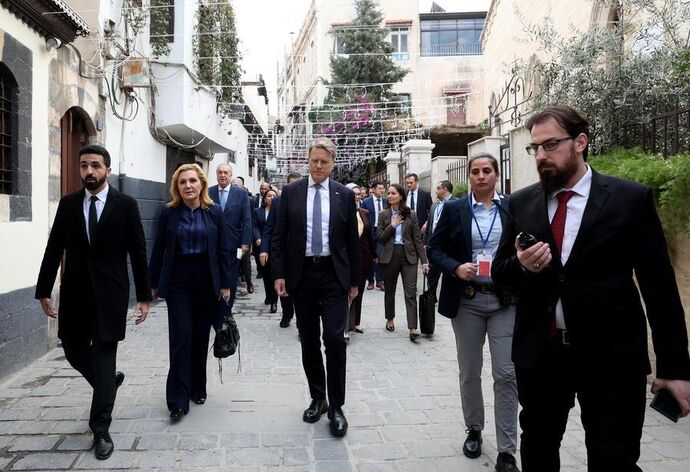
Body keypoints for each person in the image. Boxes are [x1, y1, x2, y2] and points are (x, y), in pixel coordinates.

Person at [492, 104, 690, 471]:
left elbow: (660, 288)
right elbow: (500, 274)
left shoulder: (630, 199)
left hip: (612, 359)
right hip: (543, 356)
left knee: (614, 459)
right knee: (538, 452)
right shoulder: (520, 204)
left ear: (580, 142)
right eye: (535, 148)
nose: (541, 155)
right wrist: (521, 265)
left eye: (551, 145)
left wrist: (675, 368)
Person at [35, 144, 151, 460]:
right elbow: (54, 248)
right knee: (73, 350)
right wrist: (44, 290)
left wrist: (144, 297)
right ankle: (107, 384)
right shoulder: (69, 204)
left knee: (104, 357)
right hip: (75, 295)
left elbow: (138, 252)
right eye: (84, 165)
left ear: (107, 170)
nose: (89, 171)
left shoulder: (125, 205)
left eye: (95, 165)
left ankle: (100, 429)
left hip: (110, 297)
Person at [427, 155, 519, 472]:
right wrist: (455, 267)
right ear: (469, 176)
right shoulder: (455, 209)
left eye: (487, 171)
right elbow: (434, 249)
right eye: (476, 171)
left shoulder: (511, 208)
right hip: (467, 300)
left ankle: (507, 450)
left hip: (504, 300)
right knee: (470, 370)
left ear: (497, 174)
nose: (481, 176)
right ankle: (474, 429)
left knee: (506, 373)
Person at [272, 137, 360, 437]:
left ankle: (337, 406)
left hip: (334, 276)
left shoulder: (343, 195)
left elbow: (352, 241)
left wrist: (355, 281)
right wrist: (279, 273)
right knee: (308, 340)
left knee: (334, 339)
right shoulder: (291, 193)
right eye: (314, 161)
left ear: (332, 164)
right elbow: (279, 236)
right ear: (308, 161)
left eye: (324, 161)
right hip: (303, 276)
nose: (318, 166)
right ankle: (318, 397)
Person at [149, 164, 233, 420]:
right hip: (178, 280)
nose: (188, 185)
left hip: (207, 279)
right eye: (183, 182)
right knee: (182, 336)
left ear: (202, 184)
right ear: (177, 187)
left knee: (200, 336)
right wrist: (152, 284)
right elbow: (159, 248)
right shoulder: (169, 212)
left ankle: (198, 387)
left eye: (193, 181)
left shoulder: (214, 211)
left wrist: (226, 284)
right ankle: (178, 399)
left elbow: (223, 249)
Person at [377, 183, 429, 341]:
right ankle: (390, 319)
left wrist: (424, 261)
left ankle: (413, 327)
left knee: (411, 292)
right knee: (390, 290)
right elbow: (380, 238)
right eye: (388, 193)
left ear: (401, 196)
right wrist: (392, 226)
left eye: (393, 193)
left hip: (409, 257)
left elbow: (417, 239)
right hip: (390, 256)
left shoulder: (411, 214)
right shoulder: (383, 214)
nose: (389, 196)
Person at [209, 164, 252, 312]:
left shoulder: (240, 194)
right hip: (213, 244)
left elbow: (246, 219)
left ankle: (227, 309)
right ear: (216, 175)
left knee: (231, 275)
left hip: (235, 245)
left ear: (230, 175)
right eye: (220, 172)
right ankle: (216, 307)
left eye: (226, 172)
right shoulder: (208, 192)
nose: (223, 175)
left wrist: (245, 242)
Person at [262, 172, 302, 328]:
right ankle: (287, 314)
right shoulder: (278, 202)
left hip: (300, 252)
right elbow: (269, 228)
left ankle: (302, 321)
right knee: (283, 284)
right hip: (282, 252)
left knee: (300, 289)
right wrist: (264, 249)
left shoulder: (307, 200)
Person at [347, 185, 376, 338]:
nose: (357, 196)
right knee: (346, 292)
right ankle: (346, 324)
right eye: (353, 194)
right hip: (346, 259)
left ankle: (356, 322)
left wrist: (373, 255)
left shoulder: (365, 213)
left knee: (360, 291)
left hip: (363, 258)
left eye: (358, 194)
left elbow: (369, 236)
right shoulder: (341, 212)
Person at [424, 180, 456, 302]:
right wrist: (425, 242)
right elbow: (429, 225)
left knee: (449, 274)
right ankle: (431, 297)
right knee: (432, 274)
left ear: (445, 189)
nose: (436, 191)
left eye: (438, 188)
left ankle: (448, 299)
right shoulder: (434, 205)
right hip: (434, 246)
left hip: (449, 247)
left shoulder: (457, 203)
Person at [254, 188, 279, 313]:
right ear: (264, 199)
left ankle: (274, 301)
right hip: (262, 246)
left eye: (274, 196)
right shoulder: (258, 212)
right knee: (266, 273)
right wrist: (258, 237)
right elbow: (255, 226)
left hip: (275, 247)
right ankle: (269, 295)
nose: (272, 198)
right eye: (269, 196)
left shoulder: (280, 212)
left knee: (274, 274)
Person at [360, 181, 387, 291]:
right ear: (374, 189)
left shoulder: (386, 202)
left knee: (380, 256)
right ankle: (370, 280)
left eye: (383, 188)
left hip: (381, 232)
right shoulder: (366, 202)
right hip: (369, 233)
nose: (382, 190)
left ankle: (380, 280)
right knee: (370, 257)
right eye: (380, 188)